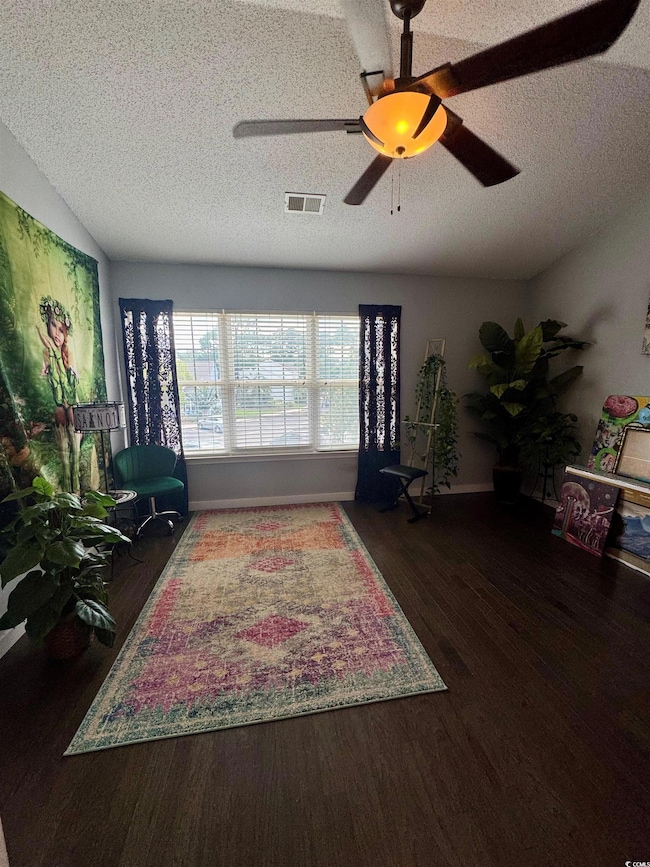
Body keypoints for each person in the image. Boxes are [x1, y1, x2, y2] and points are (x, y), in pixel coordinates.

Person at [37, 296, 80, 492]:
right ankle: (67, 483)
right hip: (58, 399)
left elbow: (72, 370)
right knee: (62, 443)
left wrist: (72, 372)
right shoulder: (48, 353)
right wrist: (45, 369)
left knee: (74, 442)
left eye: (60, 329)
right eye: (53, 327)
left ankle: (77, 483)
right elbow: (45, 366)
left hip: (70, 399)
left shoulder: (67, 353)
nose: (56, 333)